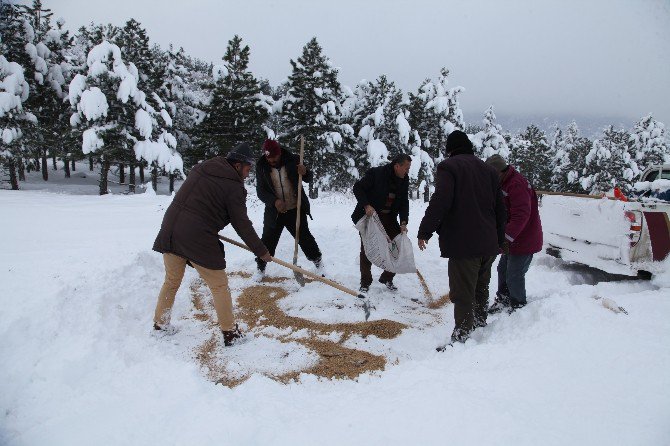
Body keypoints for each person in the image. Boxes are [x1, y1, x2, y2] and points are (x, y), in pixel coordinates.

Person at [152, 143, 272, 347]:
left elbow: (201, 200)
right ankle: (230, 333)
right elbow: (242, 224)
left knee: (171, 280)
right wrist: (261, 251)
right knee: (219, 285)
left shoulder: (203, 168)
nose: (248, 173)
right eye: (247, 168)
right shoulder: (233, 186)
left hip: (171, 227)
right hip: (196, 235)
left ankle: (160, 324)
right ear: (237, 165)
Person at [417, 130, 506, 344]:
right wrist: (500, 240)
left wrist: (425, 231)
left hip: (464, 244)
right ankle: (479, 324)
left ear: (450, 150)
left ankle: (463, 336)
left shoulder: (450, 167)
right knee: (481, 286)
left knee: (463, 291)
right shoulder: (489, 171)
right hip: (488, 243)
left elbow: (441, 201)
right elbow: (501, 209)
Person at [255, 139, 323, 275]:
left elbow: (309, 178)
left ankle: (318, 263)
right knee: (268, 239)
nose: (271, 161)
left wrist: (305, 172)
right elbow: (261, 191)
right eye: (269, 158)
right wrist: (274, 201)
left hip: (295, 208)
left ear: (279, 153)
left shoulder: (294, 160)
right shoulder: (262, 166)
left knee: (304, 237)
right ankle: (260, 268)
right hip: (274, 210)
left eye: (274, 158)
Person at [485, 154, 543, 313]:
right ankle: (503, 300)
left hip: (524, 239)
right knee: (502, 269)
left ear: (499, 172)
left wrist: (505, 238)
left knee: (514, 274)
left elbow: (521, 215)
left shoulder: (516, 184)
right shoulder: (503, 182)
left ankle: (518, 305)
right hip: (512, 239)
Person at [351, 154, 412, 292]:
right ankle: (365, 282)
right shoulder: (377, 174)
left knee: (397, 247)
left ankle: (387, 277)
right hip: (370, 217)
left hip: (389, 218)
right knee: (367, 248)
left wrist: (403, 222)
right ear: (397, 166)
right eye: (406, 168)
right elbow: (357, 188)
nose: (407, 171)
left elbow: (404, 202)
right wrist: (366, 205)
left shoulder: (404, 179)